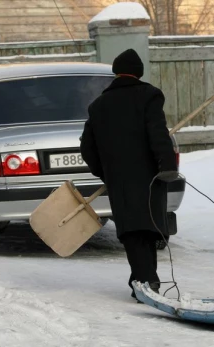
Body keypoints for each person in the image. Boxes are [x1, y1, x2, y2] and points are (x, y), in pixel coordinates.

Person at [80, 48, 179, 301]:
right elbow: (158, 133)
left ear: (116, 72)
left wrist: (105, 173)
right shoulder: (150, 96)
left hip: (120, 180)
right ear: (139, 73)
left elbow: (87, 148)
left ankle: (143, 280)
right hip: (150, 177)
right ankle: (146, 281)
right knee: (148, 228)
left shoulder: (98, 105)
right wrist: (167, 165)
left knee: (132, 231)